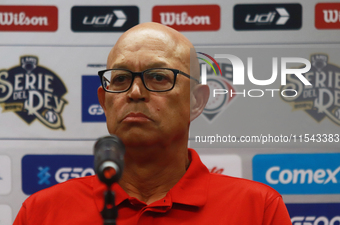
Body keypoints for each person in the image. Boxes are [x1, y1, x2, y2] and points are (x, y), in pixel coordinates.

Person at [13, 22, 292, 224]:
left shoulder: (258, 208)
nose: (135, 92)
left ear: (196, 102)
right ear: (103, 100)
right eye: (120, 79)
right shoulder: (42, 211)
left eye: (158, 77)